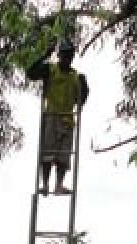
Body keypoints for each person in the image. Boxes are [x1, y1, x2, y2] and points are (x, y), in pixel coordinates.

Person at [27, 38, 90, 195]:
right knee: (47, 153)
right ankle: (46, 185)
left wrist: (85, 88)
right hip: (51, 117)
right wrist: (44, 56)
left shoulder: (76, 76)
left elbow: (80, 101)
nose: (67, 59)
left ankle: (59, 185)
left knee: (63, 157)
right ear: (59, 55)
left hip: (67, 119)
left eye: (69, 56)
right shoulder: (50, 70)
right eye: (64, 55)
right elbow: (31, 74)